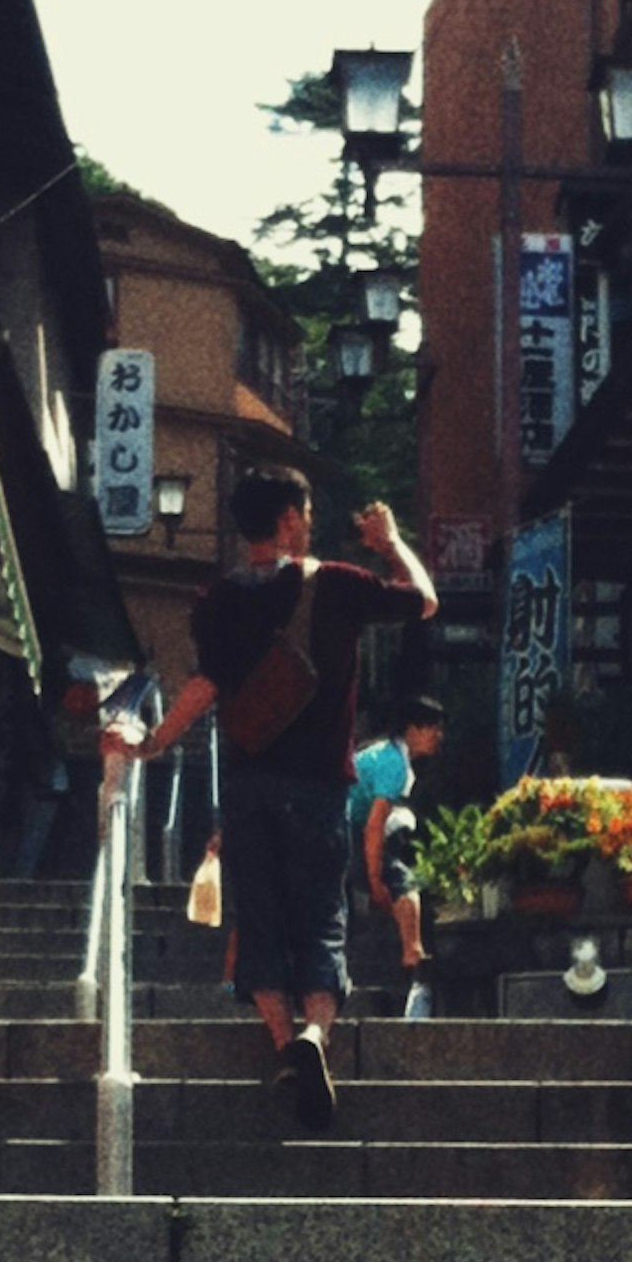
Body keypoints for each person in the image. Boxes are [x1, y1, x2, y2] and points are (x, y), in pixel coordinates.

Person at [121, 466, 436, 1123]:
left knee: (259, 919)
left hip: (248, 787)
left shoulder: (219, 600)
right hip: (319, 788)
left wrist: (153, 743)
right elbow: (424, 599)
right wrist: (392, 541)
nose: (313, 522)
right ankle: (316, 1035)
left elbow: (205, 685)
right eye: (309, 511)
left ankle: (283, 1042)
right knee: (322, 919)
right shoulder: (338, 585)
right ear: (290, 517)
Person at [347, 693, 444, 1015]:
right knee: (405, 883)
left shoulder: (386, 755)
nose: (438, 737)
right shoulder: (394, 765)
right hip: (342, 828)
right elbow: (374, 826)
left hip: (339, 825)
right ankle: (413, 955)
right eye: (433, 728)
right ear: (412, 729)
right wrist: (375, 880)